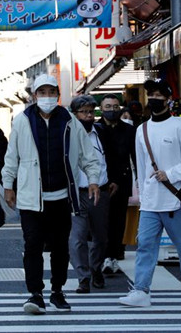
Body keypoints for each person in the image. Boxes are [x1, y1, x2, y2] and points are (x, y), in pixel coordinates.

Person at [2, 74, 100, 314]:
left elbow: (88, 155)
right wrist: (8, 184)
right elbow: (11, 155)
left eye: (51, 92)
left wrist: (94, 179)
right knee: (32, 245)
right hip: (30, 198)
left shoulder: (69, 120)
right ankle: (35, 294)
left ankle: (57, 291)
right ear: (34, 96)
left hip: (61, 196)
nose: (47, 97)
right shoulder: (23, 121)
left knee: (60, 247)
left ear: (58, 94)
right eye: (42, 92)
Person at [119, 78, 181, 308]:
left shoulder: (179, 126)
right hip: (150, 201)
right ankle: (141, 290)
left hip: (174, 200)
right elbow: (140, 165)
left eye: (158, 95)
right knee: (145, 245)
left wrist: (171, 174)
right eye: (151, 95)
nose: (154, 99)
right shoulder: (142, 129)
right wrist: (143, 196)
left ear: (168, 99)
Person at [68, 95, 111, 293]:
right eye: (83, 112)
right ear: (74, 114)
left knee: (100, 237)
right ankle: (83, 277)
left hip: (100, 191)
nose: (88, 116)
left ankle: (95, 268)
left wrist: (114, 181)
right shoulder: (67, 134)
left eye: (91, 112)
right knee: (77, 238)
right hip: (76, 193)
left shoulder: (101, 132)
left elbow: (113, 157)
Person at [96, 94, 136, 275]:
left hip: (122, 181)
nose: (112, 110)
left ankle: (113, 256)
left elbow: (134, 156)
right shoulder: (95, 129)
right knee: (101, 222)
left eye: (115, 106)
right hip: (101, 182)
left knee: (119, 221)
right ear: (101, 108)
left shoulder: (128, 130)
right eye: (108, 106)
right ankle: (102, 256)